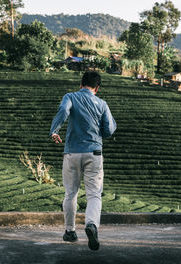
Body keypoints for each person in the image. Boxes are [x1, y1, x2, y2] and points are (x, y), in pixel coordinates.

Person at [49, 71, 116, 251]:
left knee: (71, 193)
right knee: (94, 194)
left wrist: (55, 130)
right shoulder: (102, 104)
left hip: (71, 153)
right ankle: (91, 224)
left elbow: (64, 110)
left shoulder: (70, 96)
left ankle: (70, 231)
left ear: (80, 85)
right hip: (94, 153)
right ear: (97, 88)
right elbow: (109, 130)